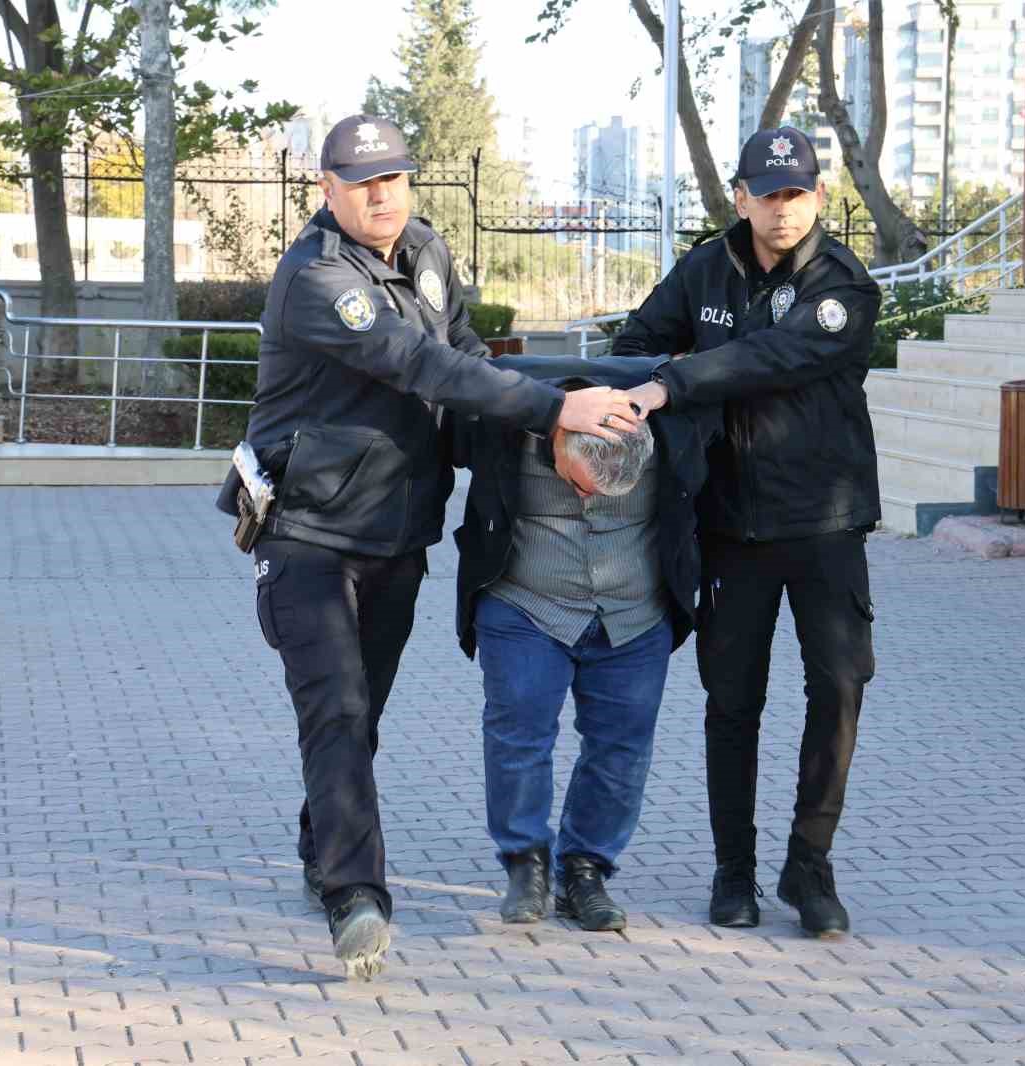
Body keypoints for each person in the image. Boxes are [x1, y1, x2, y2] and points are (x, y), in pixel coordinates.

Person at [237, 115, 641, 980]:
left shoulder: (424, 249)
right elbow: (419, 363)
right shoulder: (316, 277)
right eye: (360, 183)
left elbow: (463, 353)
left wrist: (550, 426)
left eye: (392, 178)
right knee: (338, 710)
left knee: (362, 714)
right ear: (327, 190)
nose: (380, 195)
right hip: (307, 533)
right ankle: (356, 897)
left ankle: (319, 841)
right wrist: (553, 408)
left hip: (396, 532)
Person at [615, 127, 881, 937]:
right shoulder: (705, 269)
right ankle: (734, 870)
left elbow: (774, 356)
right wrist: (676, 427)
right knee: (732, 701)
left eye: (797, 194)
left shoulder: (843, 285)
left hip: (825, 521)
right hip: (730, 523)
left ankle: (810, 865)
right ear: (741, 198)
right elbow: (635, 346)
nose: (783, 209)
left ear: (820, 197)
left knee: (839, 688)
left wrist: (678, 384)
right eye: (768, 194)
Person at [451, 355, 711, 932]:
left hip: (634, 614)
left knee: (622, 747)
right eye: (576, 482)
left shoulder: (672, 431)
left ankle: (586, 868)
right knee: (518, 735)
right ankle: (525, 863)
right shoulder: (506, 421)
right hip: (525, 605)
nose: (586, 498)